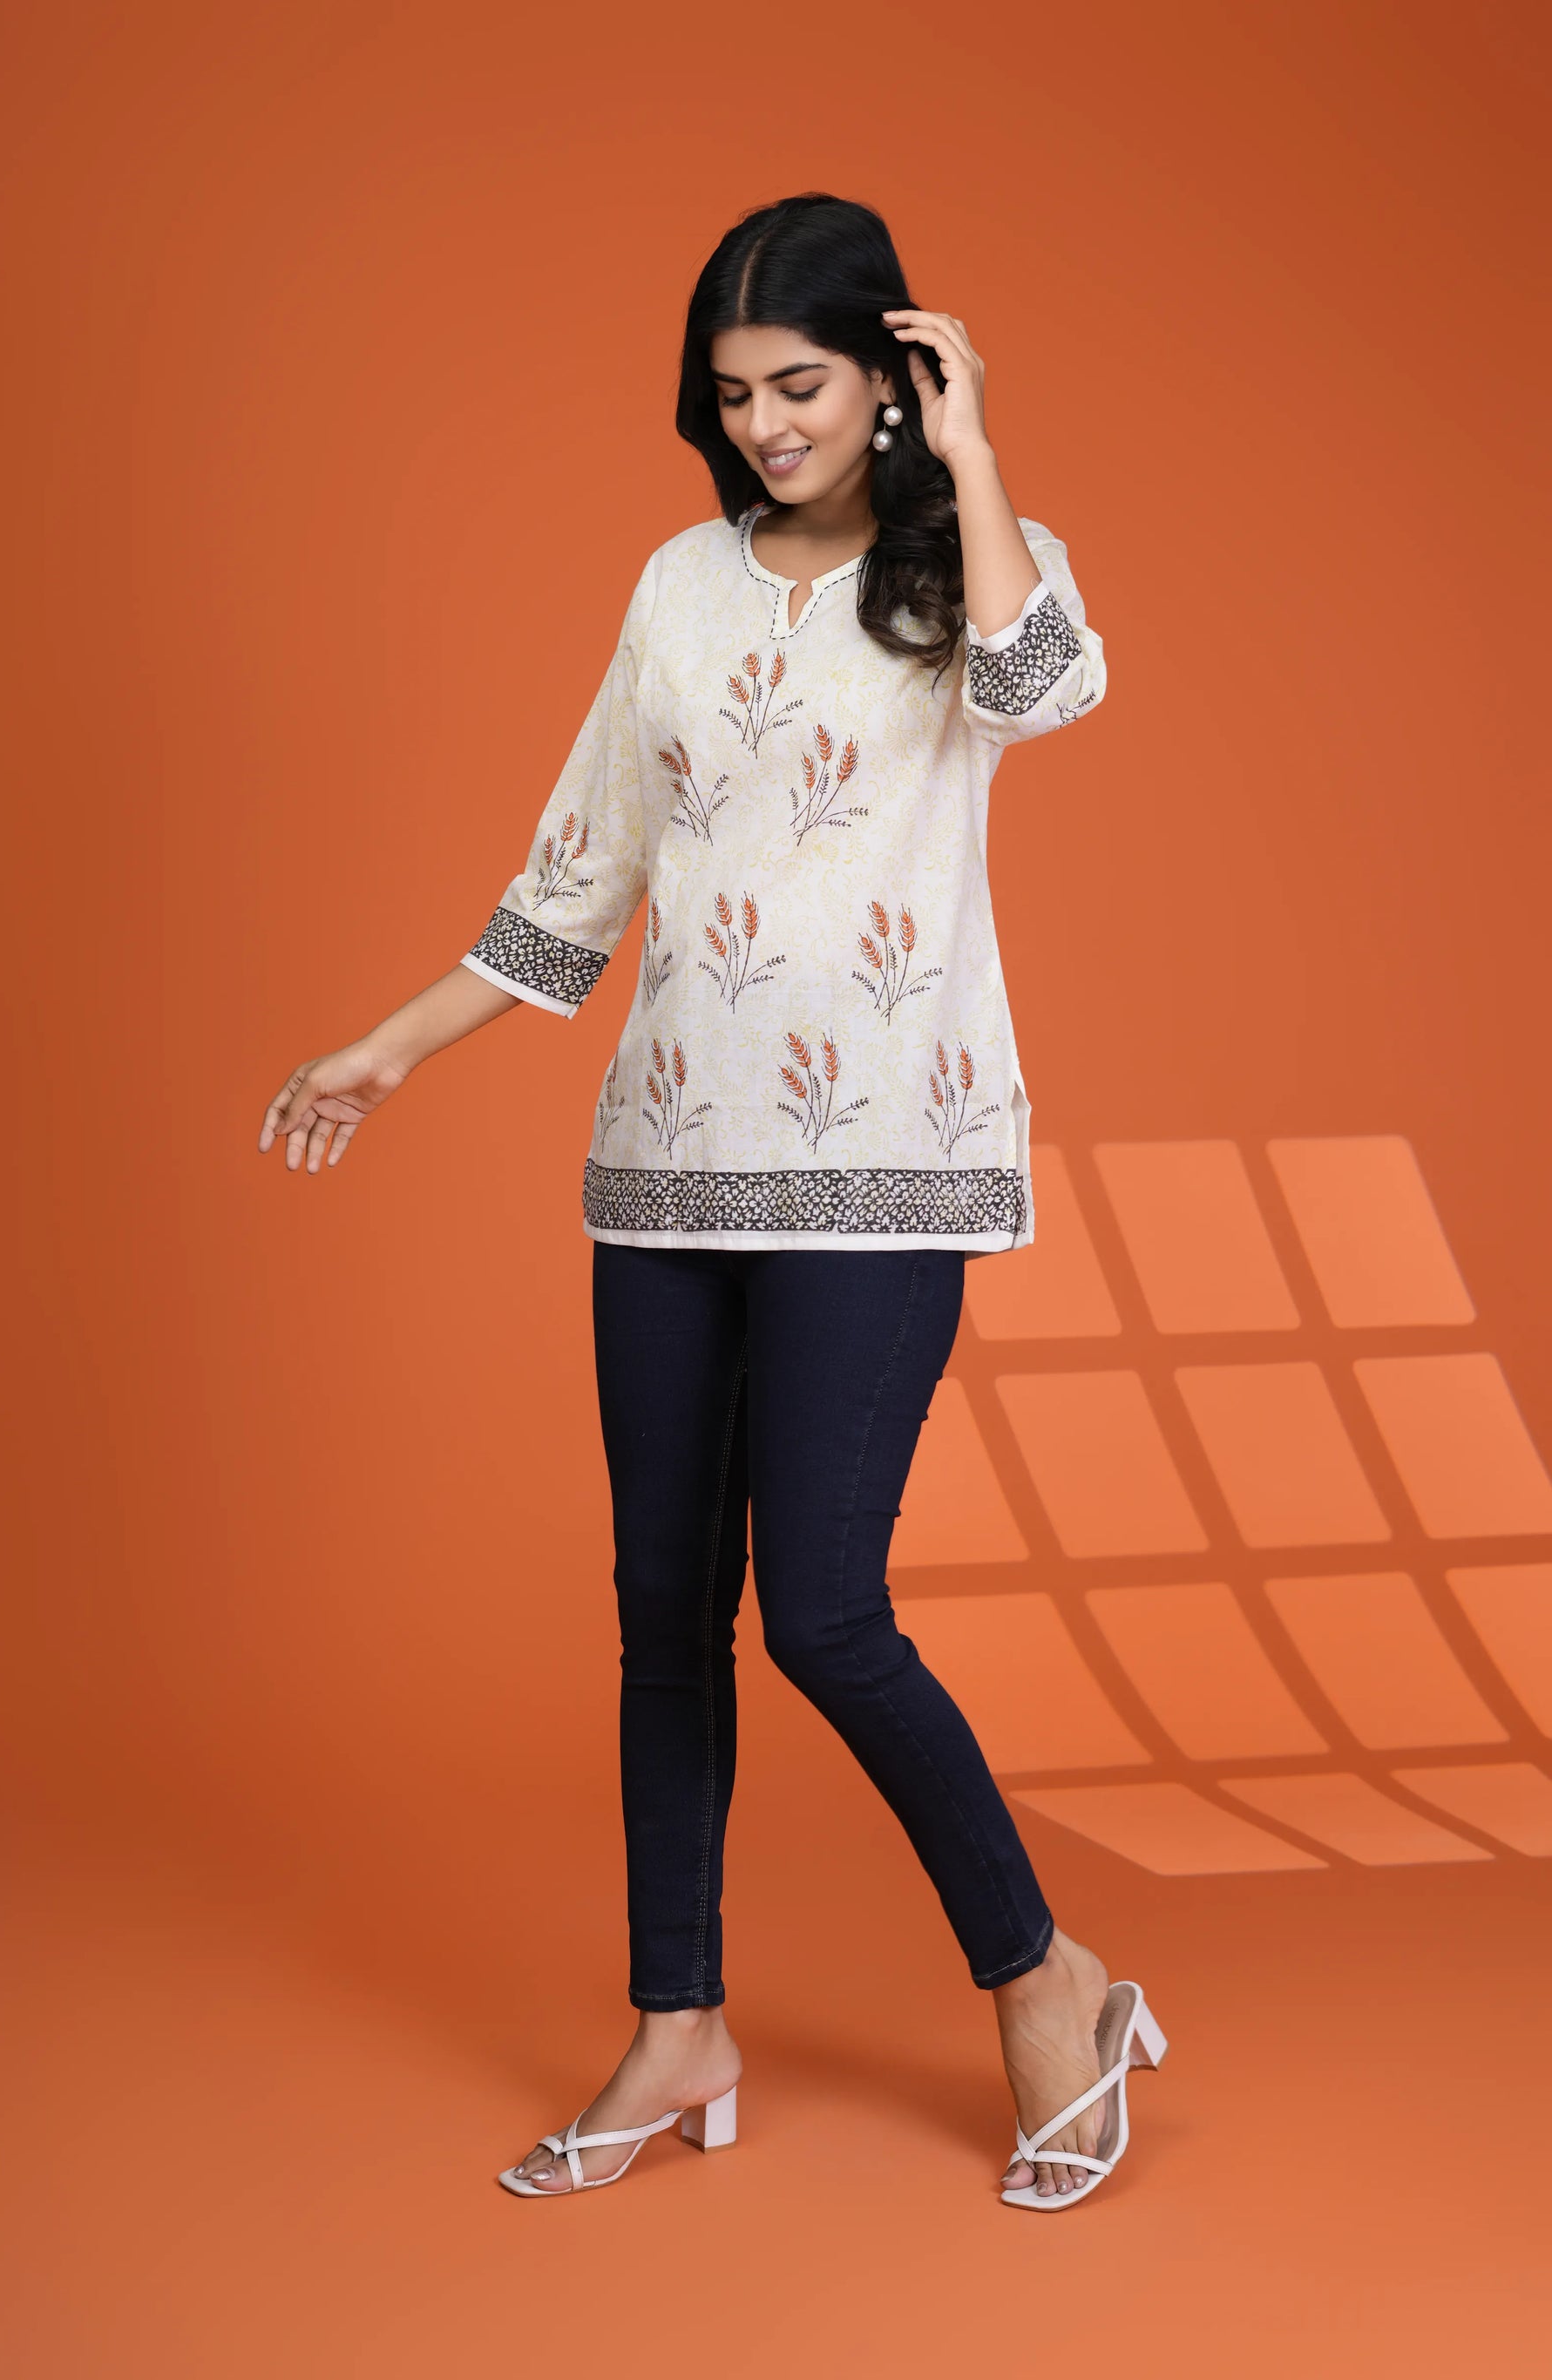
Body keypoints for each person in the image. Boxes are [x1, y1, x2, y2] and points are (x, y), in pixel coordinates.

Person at [258, 193, 1165, 2209]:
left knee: (824, 1612)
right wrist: (393, 1045)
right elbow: (581, 872)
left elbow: (1048, 692)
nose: (765, 425)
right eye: (735, 392)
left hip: (882, 1171)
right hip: (667, 1166)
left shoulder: (973, 568)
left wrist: (976, 455)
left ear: (892, 377)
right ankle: (679, 2024)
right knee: (662, 1615)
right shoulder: (677, 585)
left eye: (804, 385)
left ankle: (1048, 1980)